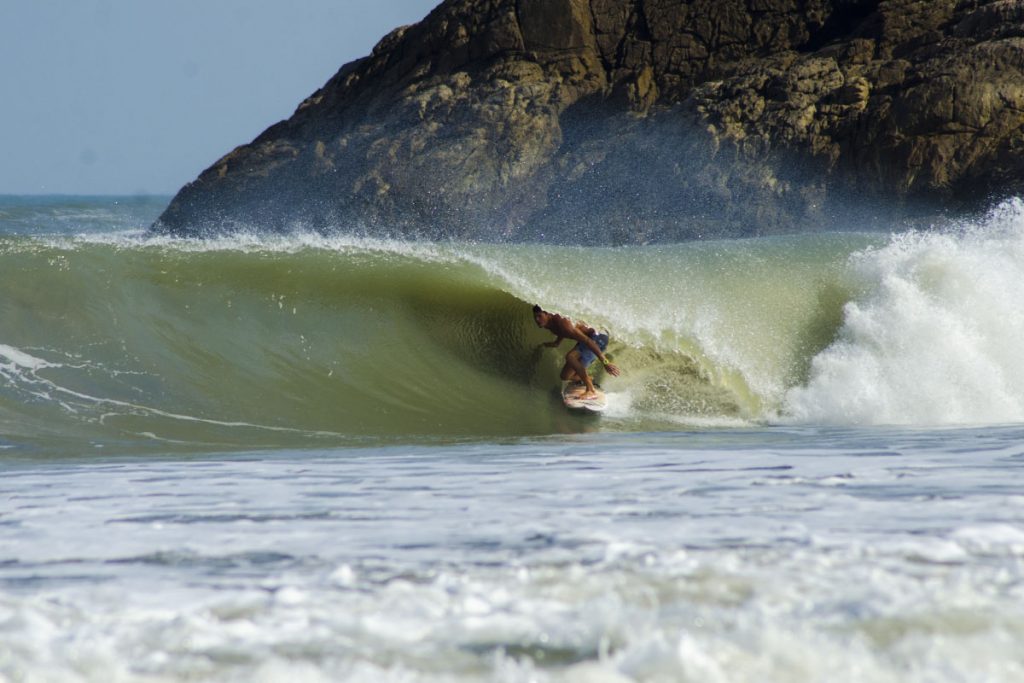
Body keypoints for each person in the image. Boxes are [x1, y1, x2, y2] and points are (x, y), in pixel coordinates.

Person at [533, 304, 621, 400]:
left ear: (548, 314)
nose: (537, 320)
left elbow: (588, 341)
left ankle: (590, 390)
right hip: (589, 339)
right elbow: (562, 332)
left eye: (539, 316)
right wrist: (556, 342)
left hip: (598, 337)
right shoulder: (550, 324)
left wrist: (605, 362)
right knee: (565, 376)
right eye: (535, 317)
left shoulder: (563, 323)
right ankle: (589, 379)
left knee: (571, 357)